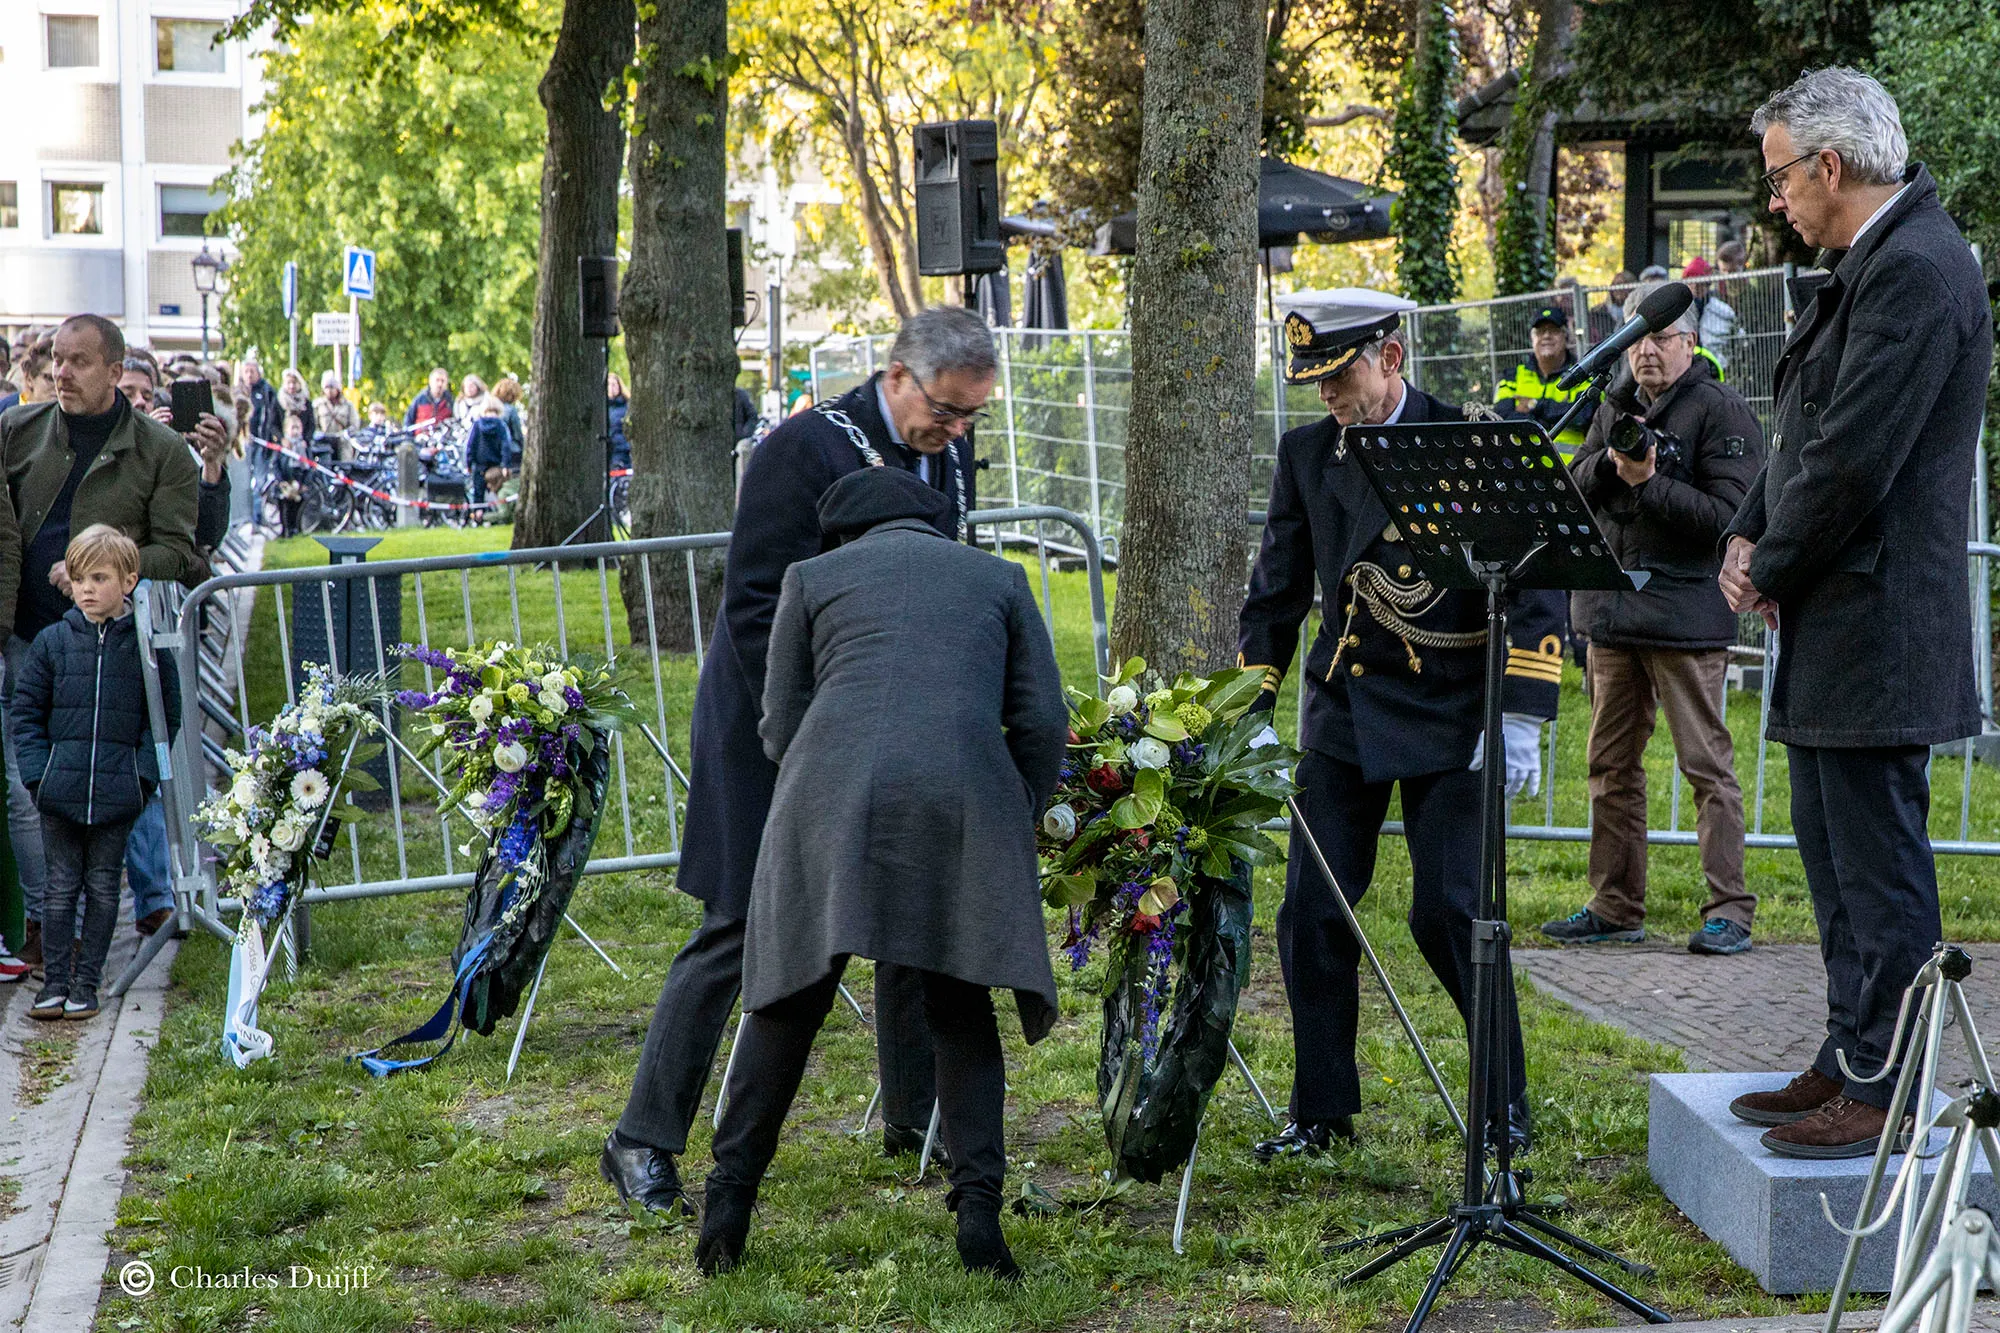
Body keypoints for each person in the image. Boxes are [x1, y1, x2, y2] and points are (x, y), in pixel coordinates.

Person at [605, 305, 989, 1216]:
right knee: (740, 925)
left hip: (899, 729)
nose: (958, 431)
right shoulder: (799, 450)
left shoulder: (947, 449)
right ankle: (641, 1139)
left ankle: (918, 1120)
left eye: (974, 416)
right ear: (897, 375)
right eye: (947, 409)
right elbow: (751, 613)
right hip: (775, 731)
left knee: (908, 911)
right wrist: (814, 739)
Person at [696, 465, 1065, 1280]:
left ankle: (728, 1204)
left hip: (831, 792)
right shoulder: (998, 577)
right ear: (936, 525)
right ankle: (978, 1217)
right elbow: (1042, 719)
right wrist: (1018, 807)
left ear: (844, 533)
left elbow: (780, 722)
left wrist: (830, 786)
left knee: (788, 1001)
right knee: (960, 1001)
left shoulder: (811, 577)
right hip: (959, 798)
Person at [1720, 68, 1992, 1158]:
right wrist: (1746, 528)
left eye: (1780, 177)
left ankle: (1885, 1089)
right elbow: (1796, 428)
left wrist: (1769, 562)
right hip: (1837, 619)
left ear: (1829, 167)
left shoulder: (1918, 270)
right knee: (1832, 863)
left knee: (1877, 870)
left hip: (1879, 622)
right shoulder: (1863, 262)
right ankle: (1848, 1054)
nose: (1773, 199)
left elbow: (1851, 463)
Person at [1238, 289, 1563, 1162]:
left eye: (1339, 376)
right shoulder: (1310, 454)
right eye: (1314, 381)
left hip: (1452, 708)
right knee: (1313, 911)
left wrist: (1523, 707)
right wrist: (1250, 708)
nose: (1327, 397)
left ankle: (1504, 1103)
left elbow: (1536, 580)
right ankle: (1320, 1112)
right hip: (1346, 705)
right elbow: (1276, 587)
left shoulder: (1470, 441)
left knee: (1450, 913)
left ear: (1391, 357)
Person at [1542, 279, 1764, 954]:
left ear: (1689, 342)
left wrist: (1653, 485)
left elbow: (1733, 519)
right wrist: (1613, 471)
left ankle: (1729, 909)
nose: (1647, 352)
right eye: (1636, 338)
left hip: (1686, 617)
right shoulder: (1613, 406)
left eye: (1660, 338)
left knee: (1706, 768)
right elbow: (1572, 489)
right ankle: (1614, 905)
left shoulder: (1721, 410)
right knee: (1609, 768)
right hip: (1611, 612)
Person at [0, 315, 207, 978]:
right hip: (25, 634)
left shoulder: (161, 450)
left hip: (105, 650)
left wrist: (102, 568)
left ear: (116, 372)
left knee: (98, 786)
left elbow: (180, 553)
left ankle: (93, 926)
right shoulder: (17, 430)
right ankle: (41, 922)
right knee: (25, 783)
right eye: (57, 360)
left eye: (80, 361)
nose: (62, 372)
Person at [17, 526, 180, 1021]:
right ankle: (55, 984)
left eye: (99, 578)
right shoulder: (51, 643)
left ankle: (87, 985)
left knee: (105, 887)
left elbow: (165, 717)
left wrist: (142, 778)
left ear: (129, 581)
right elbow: (26, 713)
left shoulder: (147, 649)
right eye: (80, 578)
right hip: (58, 792)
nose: (87, 588)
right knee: (60, 888)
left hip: (117, 793)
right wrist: (37, 776)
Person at [1494, 304, 1594, 460]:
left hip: (1569, 472)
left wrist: (1534, 405)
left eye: (1553, 330)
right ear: (1532, 338)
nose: (1546, 336)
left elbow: (1583, 416)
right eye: (1540, 331)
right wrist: (1555, 415)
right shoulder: (1512, 377)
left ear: (1565, 336)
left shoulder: (1583, 377)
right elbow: (1501, 419)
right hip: (1521, 472)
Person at [466, 396, 516, 504]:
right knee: (499, 492)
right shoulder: (501, 426)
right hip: (496, 467)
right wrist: (506, 465)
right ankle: (497, 514)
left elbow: (470, 446)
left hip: (479, 466)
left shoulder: (477, 425)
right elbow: (506, 446)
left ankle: (478, 515)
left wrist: (469, 464)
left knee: (478, 495)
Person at [314, 371, 358, 455]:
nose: (329, 390)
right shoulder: (318, 405)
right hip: (324, 441)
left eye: (332, 387)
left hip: (343, 441)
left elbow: (354, 424)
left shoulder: (348, 405)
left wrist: (346, 433)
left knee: (345, 460)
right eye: (327, 387)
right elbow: (314, 423)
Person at [606, 372, 631, 471]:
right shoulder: (602, 408)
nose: (611, 387)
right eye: (609, 384)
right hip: (606, 453)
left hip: (622, 452)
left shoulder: (626, 406)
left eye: (614, 384)